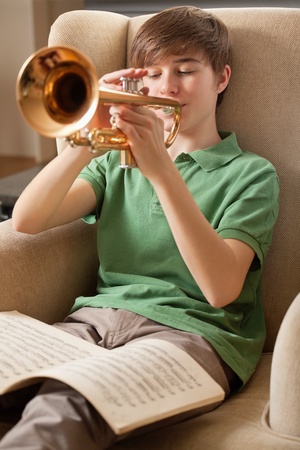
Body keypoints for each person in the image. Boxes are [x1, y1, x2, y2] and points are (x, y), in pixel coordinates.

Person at [0, 6, 279, 450]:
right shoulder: (114, 161)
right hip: (94, 322)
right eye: (150, 74)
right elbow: (27, 221)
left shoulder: (252, 174)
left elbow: (221, 289)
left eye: (185, 71)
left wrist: (162, 172)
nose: (166, 86)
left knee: (65, 407)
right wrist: (84, 139)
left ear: (221, 79)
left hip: (194, 336)